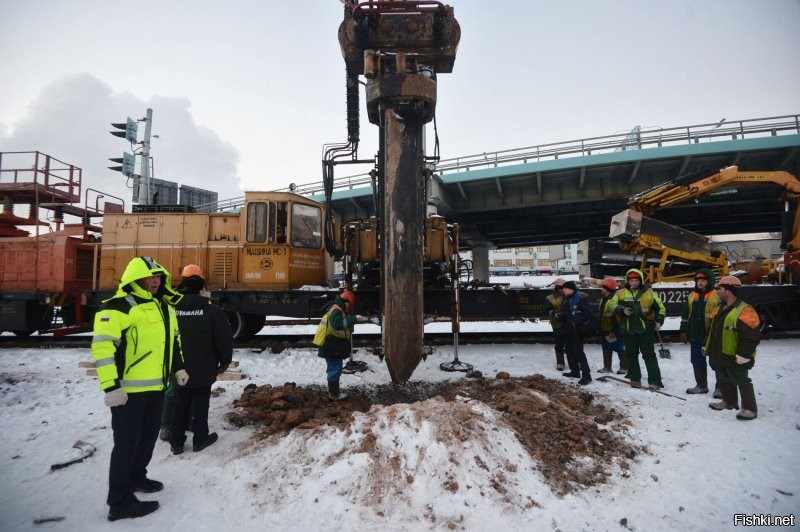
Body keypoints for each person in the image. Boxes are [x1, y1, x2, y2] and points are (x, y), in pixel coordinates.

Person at [91, 256, 182, 521]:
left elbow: (172, 342)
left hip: (155, 387)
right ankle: (119, 502)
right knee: (126, 444)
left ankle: (136, 477)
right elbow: (103, 349)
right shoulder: (118, 307)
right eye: (150, 277)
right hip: (127, 391)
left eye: (159, 277)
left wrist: (179, 367)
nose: (156, 281)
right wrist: (110, 387)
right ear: (135, 278)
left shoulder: (161, 307)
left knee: (147, 437)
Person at [169, 264, 234, 454]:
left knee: (179, 402)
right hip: (204, 365)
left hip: (179, 365)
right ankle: (200, 438)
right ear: (200, 289)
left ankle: (176, 442)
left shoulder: (172, 309)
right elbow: (223, 338)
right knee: (200, 402)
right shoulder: (212, 310)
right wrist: (225, 361)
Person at [706, 275, 760, 420]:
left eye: (720, 289)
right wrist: (708, 346)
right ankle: (729, 402)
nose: (717, 291)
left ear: (728, 291)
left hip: (736, 355)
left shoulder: (746, 311)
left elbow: (751, 337)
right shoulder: (720, 308)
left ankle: (749, 409)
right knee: (723, 378)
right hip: (721, 353)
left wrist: (744, 354)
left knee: (741, 379)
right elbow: (713, 330)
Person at [613, 268, 666, 389]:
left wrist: (659, 321)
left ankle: (655, 381)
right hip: (628, 330)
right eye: (631, 280)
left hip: (645, 330)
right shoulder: (620, 293)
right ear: (628, 280)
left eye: (636, 280)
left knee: (649, 356)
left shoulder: (649, 293)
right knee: (631, 355)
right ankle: (635, 379)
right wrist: (622, 309)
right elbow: (612, 305)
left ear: (640, 280)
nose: (633, 283)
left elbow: (661, 308)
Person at [679, 268, 722, 395]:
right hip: (696, 335)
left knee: (716, 362)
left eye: (703, 280)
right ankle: (701, 385)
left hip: (712, 335)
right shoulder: (692, 296)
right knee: (697, 360)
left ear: (710, 281)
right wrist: (683, 331)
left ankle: (720, 388)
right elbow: (685, 315)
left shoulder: (717, 295)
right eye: (698, 280)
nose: (700, 283)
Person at [315, 290, 357, 400]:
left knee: (334, 368)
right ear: (345, 302)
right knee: (335, 368)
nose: (350, 308)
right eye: (350, 305)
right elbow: (338, 324)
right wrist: (352, 320)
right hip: (331, 345)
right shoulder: (336, 310)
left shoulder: (338, 309)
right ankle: (334, 394)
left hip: (331, 344)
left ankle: (333, 391)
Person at [557, 281, 593, 385]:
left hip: (577, 330)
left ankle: (587, 376)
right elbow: (566, 313)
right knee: (569, 351)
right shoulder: (566, 299)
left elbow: (586, 313)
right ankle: (575, 371)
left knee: (579, 352)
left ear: (572, 289)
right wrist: (560, 316)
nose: (563, 290)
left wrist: (574, 322)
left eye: (565, 288)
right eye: (563, 289)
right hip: (568, 329)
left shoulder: (581, 298)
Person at [597, 277, 627, 374]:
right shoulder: (605, 299)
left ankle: (624, 367)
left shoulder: (615, 299)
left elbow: (616, 316)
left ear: (608, 289)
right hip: (605, 328)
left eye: (603, 288)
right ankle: (607, 367)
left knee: (620, 348)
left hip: (614, 330)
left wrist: (613, 331)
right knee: (606, 348)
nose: (601, 289)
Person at [545, 278, 568, 371]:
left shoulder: (569, 296)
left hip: (568, 324)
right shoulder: (550, 298)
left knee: (570, 344)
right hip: (557, 324)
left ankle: (574, 362)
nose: (561, 289)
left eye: (563, 287)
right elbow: (546, 310)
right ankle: (560, 363)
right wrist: (555, 313)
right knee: (559, 344)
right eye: (559, 287)